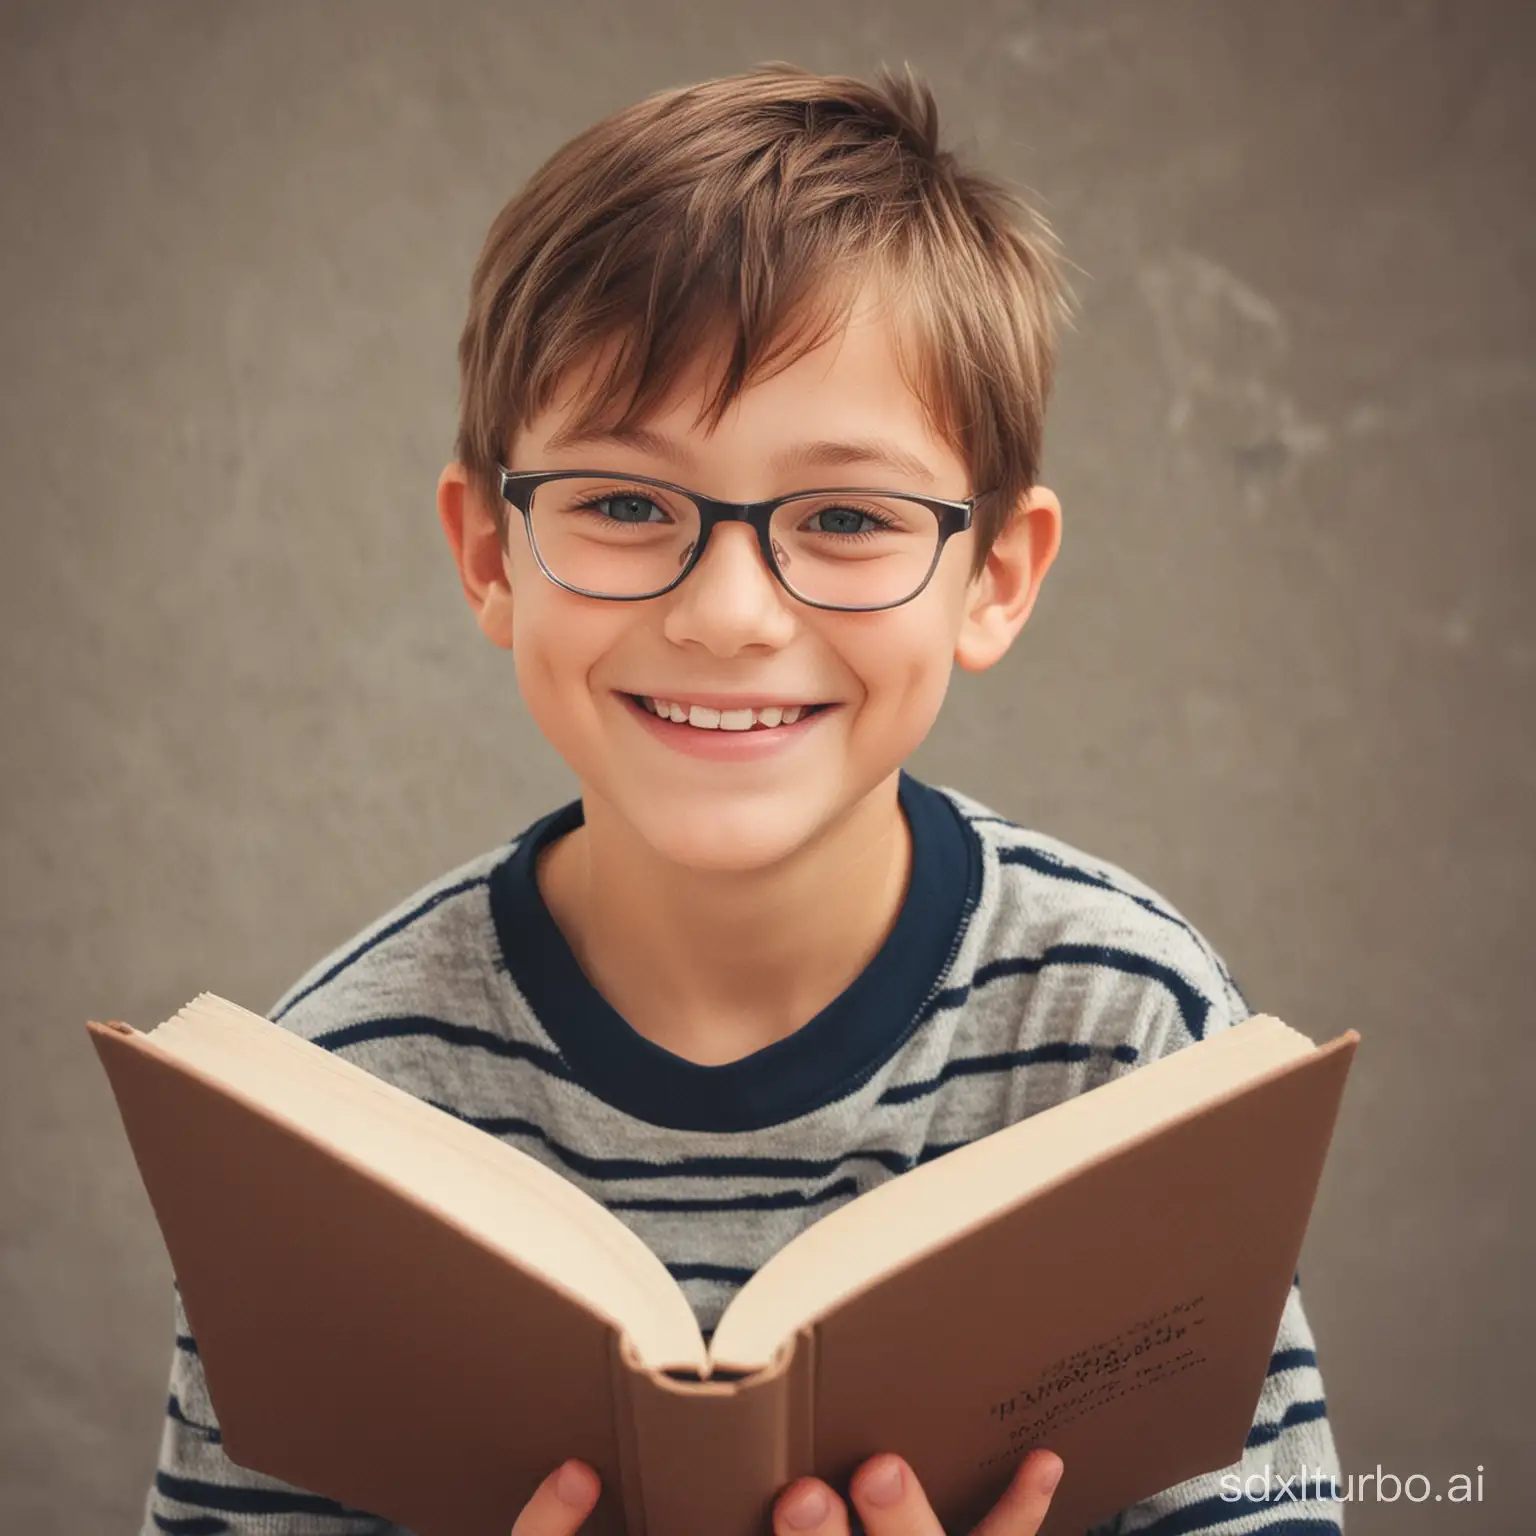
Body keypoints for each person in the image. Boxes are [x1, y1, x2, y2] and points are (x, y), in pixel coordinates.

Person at [139, 62, 1345, 1536]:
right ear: (487, 554)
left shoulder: (1126, 1035)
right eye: (627, 504)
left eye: (844, 518)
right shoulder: (334, 1104)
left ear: (997, 578)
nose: (728, 612)